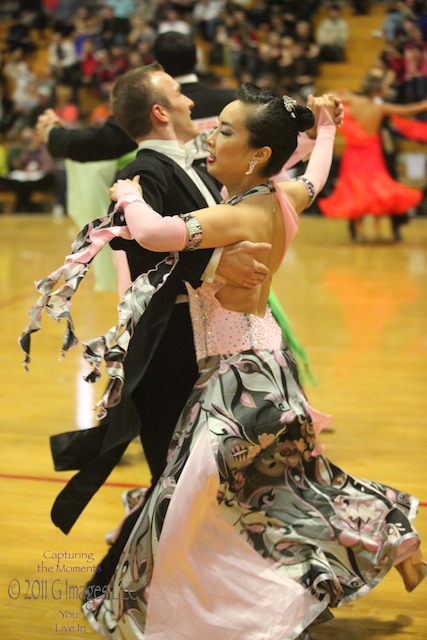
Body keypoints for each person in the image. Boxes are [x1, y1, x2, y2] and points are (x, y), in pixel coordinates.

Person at [22, 69, 426, 640]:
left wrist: (128, 198)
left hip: (234, 379)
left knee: (204, 496)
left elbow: (158, 236)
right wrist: (329, 129)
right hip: (268, 364)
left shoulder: (235, 211)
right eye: (216, 126)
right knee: (291, 481)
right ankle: (375, 538)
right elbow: (315, 176)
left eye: (227, 131)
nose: (210, 129)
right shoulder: (279, 196)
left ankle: (242, 601)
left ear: (257, 154)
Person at [318, 72, 427, 242]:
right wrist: (423, 105)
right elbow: (406, 111)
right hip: (371, 151)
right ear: (377, 91)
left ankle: (359, 231)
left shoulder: (353, 101)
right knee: (376, 188)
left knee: (355, 188)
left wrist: (342, 92)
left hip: (354, 152)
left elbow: (327, 96)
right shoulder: (380, 107)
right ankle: (377, 230)